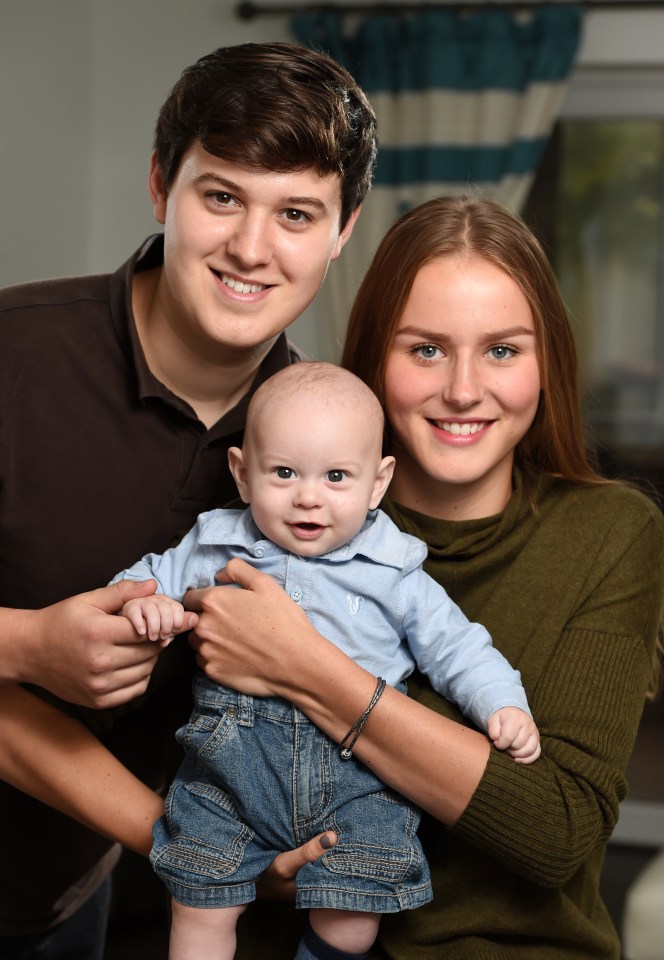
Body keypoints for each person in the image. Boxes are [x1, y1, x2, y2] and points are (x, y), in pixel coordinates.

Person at [174, 197, 664, 960]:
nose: (464, 390)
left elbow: (556, 830)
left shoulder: (611, 534)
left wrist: (305, 669)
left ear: (548, 362)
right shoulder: (276, 515)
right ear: (373, 361)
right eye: (426, 350)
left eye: (502, 350)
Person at [0, 42, 376, 959]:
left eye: (295, 212)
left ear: (344, 230)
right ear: (162, 185)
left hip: (59, 904)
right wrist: (26, 644)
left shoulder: (333, 449)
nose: (252, 248)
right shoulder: (14, 355)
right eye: (222, 197)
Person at [112, 361, 540, 960]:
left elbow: (457, 645)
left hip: (358, 778)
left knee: (355, 911)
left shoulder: (394, 567)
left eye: (337, 476)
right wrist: (147, 605)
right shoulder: (216, 542)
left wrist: (502, 703)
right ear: (241, 473)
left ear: (377, 483)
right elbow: (141, 579)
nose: (308, 497)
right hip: (230, 769)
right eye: (283, 472)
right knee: (199, 896)